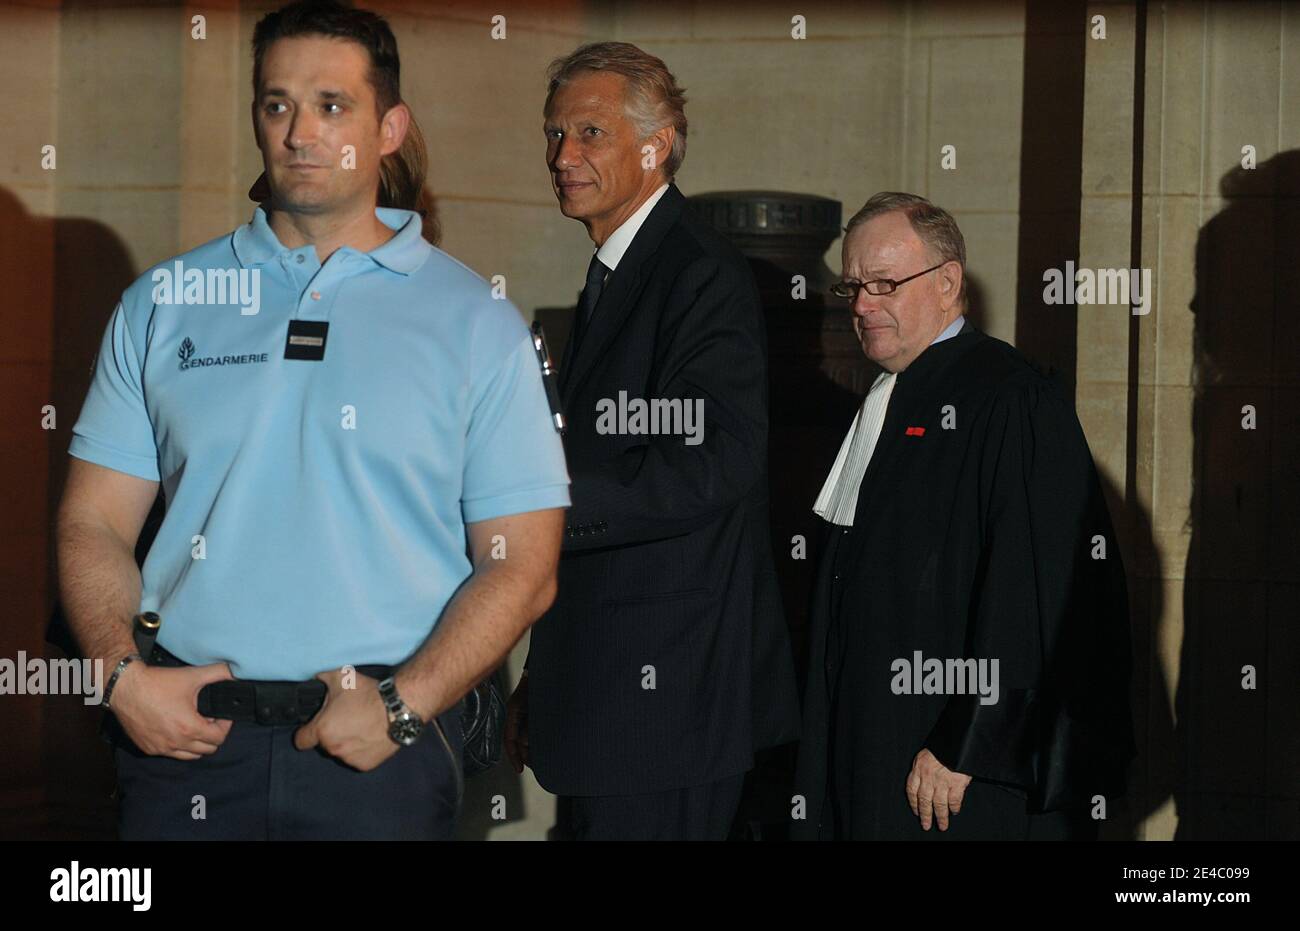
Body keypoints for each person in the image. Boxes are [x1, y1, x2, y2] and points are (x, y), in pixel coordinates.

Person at [56, 0, 569, 841]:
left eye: (332, 106)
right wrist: (120, 679)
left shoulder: (478, 323)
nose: (300, 131)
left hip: (376, 756)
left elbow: (522, 566)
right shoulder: (163, 302)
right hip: (182, 744)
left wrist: (403, 707)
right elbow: (91, 521)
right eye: (277, 103)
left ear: (389, 126)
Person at [504, 42, 800, 841]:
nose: (562, 157)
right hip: (607, 696)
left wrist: (536, 506)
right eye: (554, 135)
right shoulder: (619, 274)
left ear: (656, 143)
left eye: (589, 134)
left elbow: (713, 463)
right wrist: (546, 666)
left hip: (665, 704)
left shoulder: (699, 273)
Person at [793, 192, 1134, 840]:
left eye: (886, 284)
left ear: (948, 282)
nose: (863, 305)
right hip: (872, 743)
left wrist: (967, 740)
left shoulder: (1011, 399)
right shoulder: (888, 395)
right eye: (854, 286)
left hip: (951, 770)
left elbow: (1034, 591)